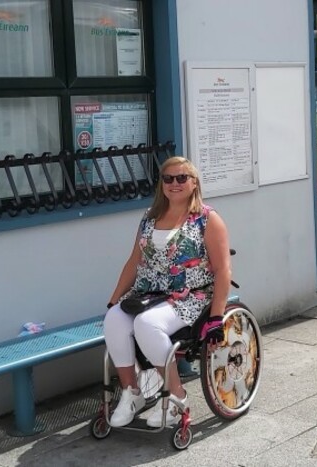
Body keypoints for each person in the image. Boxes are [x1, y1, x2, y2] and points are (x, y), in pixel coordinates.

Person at [103, 156, 231, 427]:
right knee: (114, 319)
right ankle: (132, 392)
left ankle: (177, 398)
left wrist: (216, 318)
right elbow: (133, 262)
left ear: (194, 183)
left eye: (182, 178)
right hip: (149, 293)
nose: (174, 183)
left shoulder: (207, 219)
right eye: (168, 178)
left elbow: (222, 271)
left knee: (146, 324)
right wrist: (114, 299)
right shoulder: (149, 219)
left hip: (190, 295)